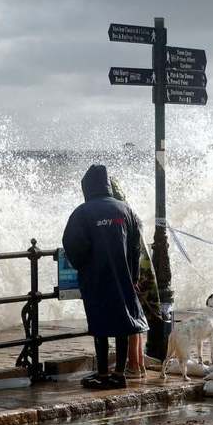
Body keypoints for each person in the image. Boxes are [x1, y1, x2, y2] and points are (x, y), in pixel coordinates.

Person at [62, 165, 148, 389]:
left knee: (99, 325)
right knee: (123, 324)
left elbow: (71, 244)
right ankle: (119, 374)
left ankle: (102, 373)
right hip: (124, 278)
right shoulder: (125, 210)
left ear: (87, 187)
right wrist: (134, 276)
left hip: (96, 278)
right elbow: (136, 246)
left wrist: (84, 266)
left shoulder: (82, 212)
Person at [109, 177, 161, 379]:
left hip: (135, 273)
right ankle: (138, 366)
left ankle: (133, 365)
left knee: (130, 321)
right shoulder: (130, 212)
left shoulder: (119, 214)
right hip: (143, 270)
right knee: (136, 319)